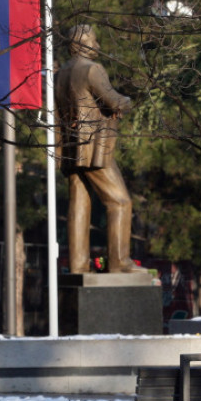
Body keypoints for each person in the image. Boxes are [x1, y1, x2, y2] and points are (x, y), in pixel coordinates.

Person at [54, 24, 140, 273]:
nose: (98, 46)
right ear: (81, 44)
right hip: (94, 148)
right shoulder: (93, 69)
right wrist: (129, 101)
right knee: (120, 202)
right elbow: (114, 101)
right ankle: (119, 262)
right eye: (94, 41)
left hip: (70, 147)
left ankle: (78, 265)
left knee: (79, 203)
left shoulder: (59, 75)